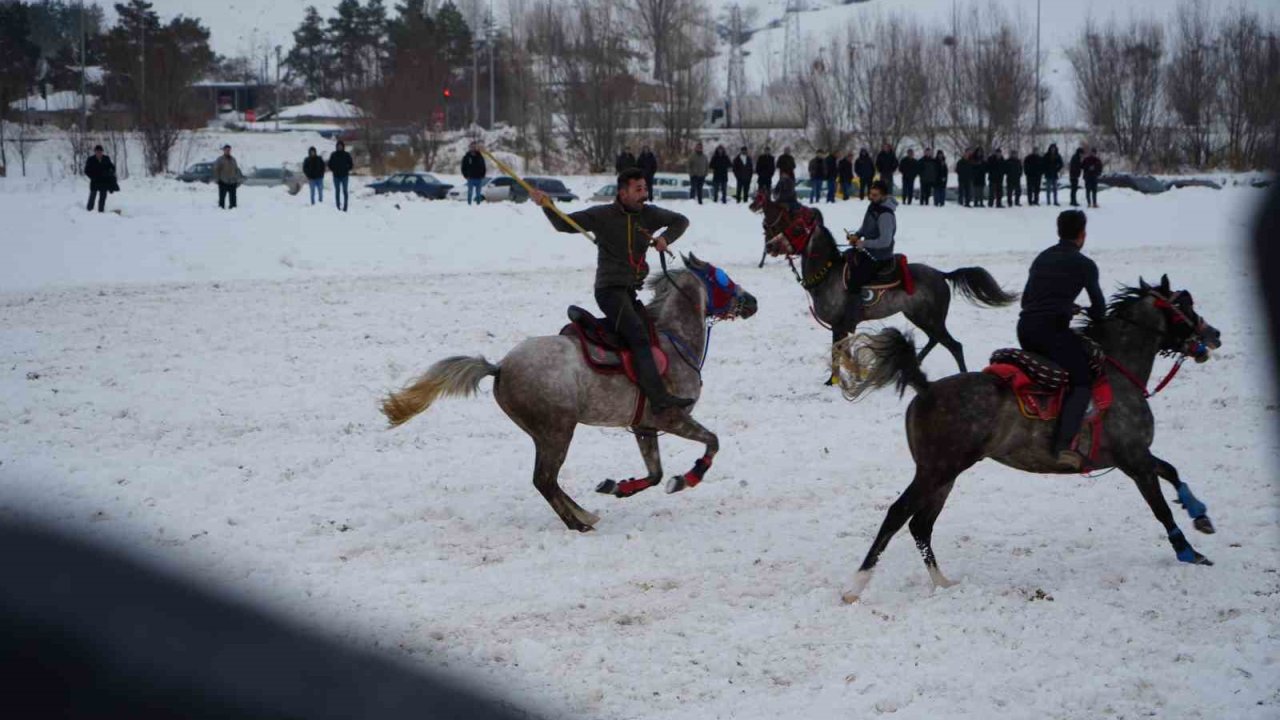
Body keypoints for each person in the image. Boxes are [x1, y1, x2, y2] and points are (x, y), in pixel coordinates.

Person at [529, 168, 693, 412]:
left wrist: (665, 239)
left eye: (645, 189)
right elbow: (564, 224)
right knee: (636, 333)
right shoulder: (602, 215)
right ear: (623, 192)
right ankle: (658, 399)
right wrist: (547, 204)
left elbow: (681, 221)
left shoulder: (649, 214)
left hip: (629, 291)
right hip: (609, 291)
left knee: (649, 331)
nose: (644, 194)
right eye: (638, 190)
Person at [1017, 210, 1106, 470]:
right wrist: (1073, 309)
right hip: (1052, 331)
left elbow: (1027, 301)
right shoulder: (1085, 264)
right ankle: (1063, 445)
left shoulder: (1042, 258)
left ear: (1059, 231)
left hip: (1025, 329)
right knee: (1082, 380)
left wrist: (1065, 306)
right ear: (1082, 234)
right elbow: (1099, 310)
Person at [841, 179, 898, 329]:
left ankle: (853, 316)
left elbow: (885, 241)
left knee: (855, 280)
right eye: (870, 194)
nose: (871, 197)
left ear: (884, 196)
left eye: (875, 195)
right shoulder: (873, 207)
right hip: (867, 251)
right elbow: (866, 227)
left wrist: (864, 243)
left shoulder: (886, 214)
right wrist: (857, 235)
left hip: (879, 257)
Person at [84, 144, 116, 213]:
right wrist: (92, 177)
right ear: (95, 152)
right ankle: (89, 211)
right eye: (97, 152)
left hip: (104, 182)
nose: (99, 153)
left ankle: (101, 211)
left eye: (100, 152)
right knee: (92, 196)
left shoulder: (106, 158)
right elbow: (86, 170)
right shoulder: (91, 159)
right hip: (95, 181)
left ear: (102, 152)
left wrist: (110, 172)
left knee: (103, 197)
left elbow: (112, 167)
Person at [213, 144, 244, 210]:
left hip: (232, 182)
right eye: (226, 150)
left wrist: (237, 179)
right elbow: (216, 169)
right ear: (224, 150)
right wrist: (217, 179)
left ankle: (233, 209)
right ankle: (221, 210)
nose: (228, 151)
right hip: (223, 181)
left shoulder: (233, 159)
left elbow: (236, 170)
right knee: (222, 198)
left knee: (233, 198)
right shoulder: (220, 159)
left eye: (229, 150)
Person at [328, 140, 354, 212]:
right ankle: (338, 206)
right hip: (336, 176)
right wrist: (333, 169)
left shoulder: (346, 155)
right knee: (337, 191)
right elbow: (329, 164)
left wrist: (347, 168)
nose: (339, 147)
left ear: (343, 147)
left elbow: (351, 164)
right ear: (336, 147)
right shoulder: (333, 155)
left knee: (345, 191)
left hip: (344, 176)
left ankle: (345, 207)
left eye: (341, 146)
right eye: (338, 146)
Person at [460, 142, 487, 206]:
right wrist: (465, 175)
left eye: (474, 147)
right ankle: (469, 204)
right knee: (470, 192)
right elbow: (463, 167)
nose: (473, 148)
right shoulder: (466, 157)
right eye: (472, 147)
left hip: (479, 178)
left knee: (478, 193)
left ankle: (478, 204)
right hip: (470, 178)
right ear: (469, 148)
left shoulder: (480, 156)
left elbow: (483, 166)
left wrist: (483, 175)